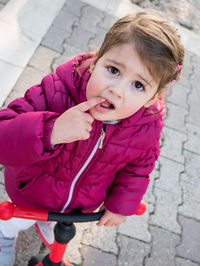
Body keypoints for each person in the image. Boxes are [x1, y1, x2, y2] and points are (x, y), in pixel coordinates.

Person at [0, 10, 184, 265]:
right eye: (113, 70)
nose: (116, 90)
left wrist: (121, 203)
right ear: (96, 60)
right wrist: (52, 130)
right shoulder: (57, 91)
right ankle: (4, 236)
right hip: (30, 194)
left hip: (79, 205)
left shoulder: (146, 126)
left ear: (153, 97)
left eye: (138, 85)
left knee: (59, 230)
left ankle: (50, 223)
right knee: (17, 221)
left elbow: (139, 167)